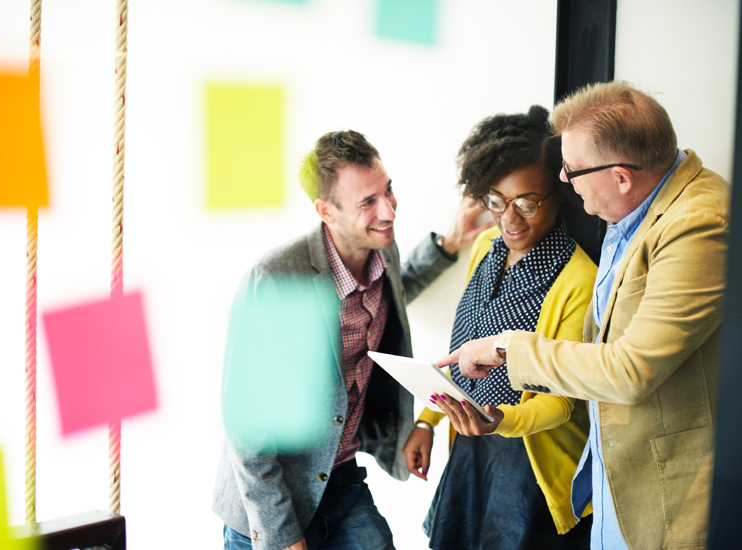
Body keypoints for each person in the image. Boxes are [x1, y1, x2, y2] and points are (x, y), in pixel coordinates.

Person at [434, 81, 730, 550]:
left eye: (571, 171)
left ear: (619, 176)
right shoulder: (627, 211)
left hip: (660, 493)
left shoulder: (699, 222)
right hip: (610, 481)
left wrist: (505, 346)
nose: (566, 181)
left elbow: (629, 370)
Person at [212, 130, 492, 550]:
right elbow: (246, 424)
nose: (389, 210)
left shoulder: (383, 251)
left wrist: (448, 243)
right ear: (326, 210)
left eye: (389, 191)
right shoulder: (275, 279)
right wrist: (280, 534)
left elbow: (394, 291)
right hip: (272, 502)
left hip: (343, 480)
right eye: (368, 202)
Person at [402, 105, 597, 550]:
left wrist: (498, 421)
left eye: (527, 203)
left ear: (558, 194)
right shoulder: (486, 246)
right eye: (496, 201)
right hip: (471, 447)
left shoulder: (577, 281)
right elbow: (461, 354)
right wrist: (430, 420)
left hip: (528, 465)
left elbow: (562, 404)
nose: (509, 220)